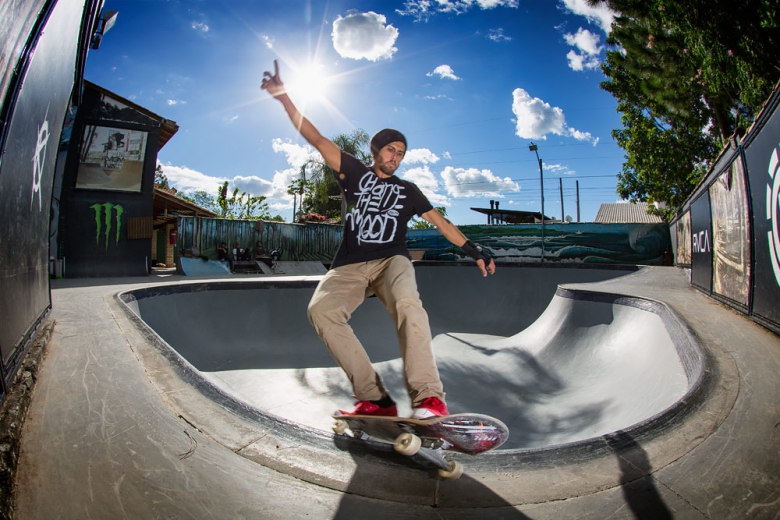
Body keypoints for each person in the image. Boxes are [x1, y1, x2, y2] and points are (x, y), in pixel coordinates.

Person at [261, 60, 495, 419]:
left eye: (401, 154)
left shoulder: (409, 190)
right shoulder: (352, 172)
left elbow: (440, 222)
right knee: (320, 312)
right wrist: (285, 98)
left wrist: (471, 248)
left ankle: (429, 398)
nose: (396, 158)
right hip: (350, 263)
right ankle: (375, 398)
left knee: (408, 305)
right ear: (377, 151)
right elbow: (317, 138)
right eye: (391, 151)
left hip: (392, 260)